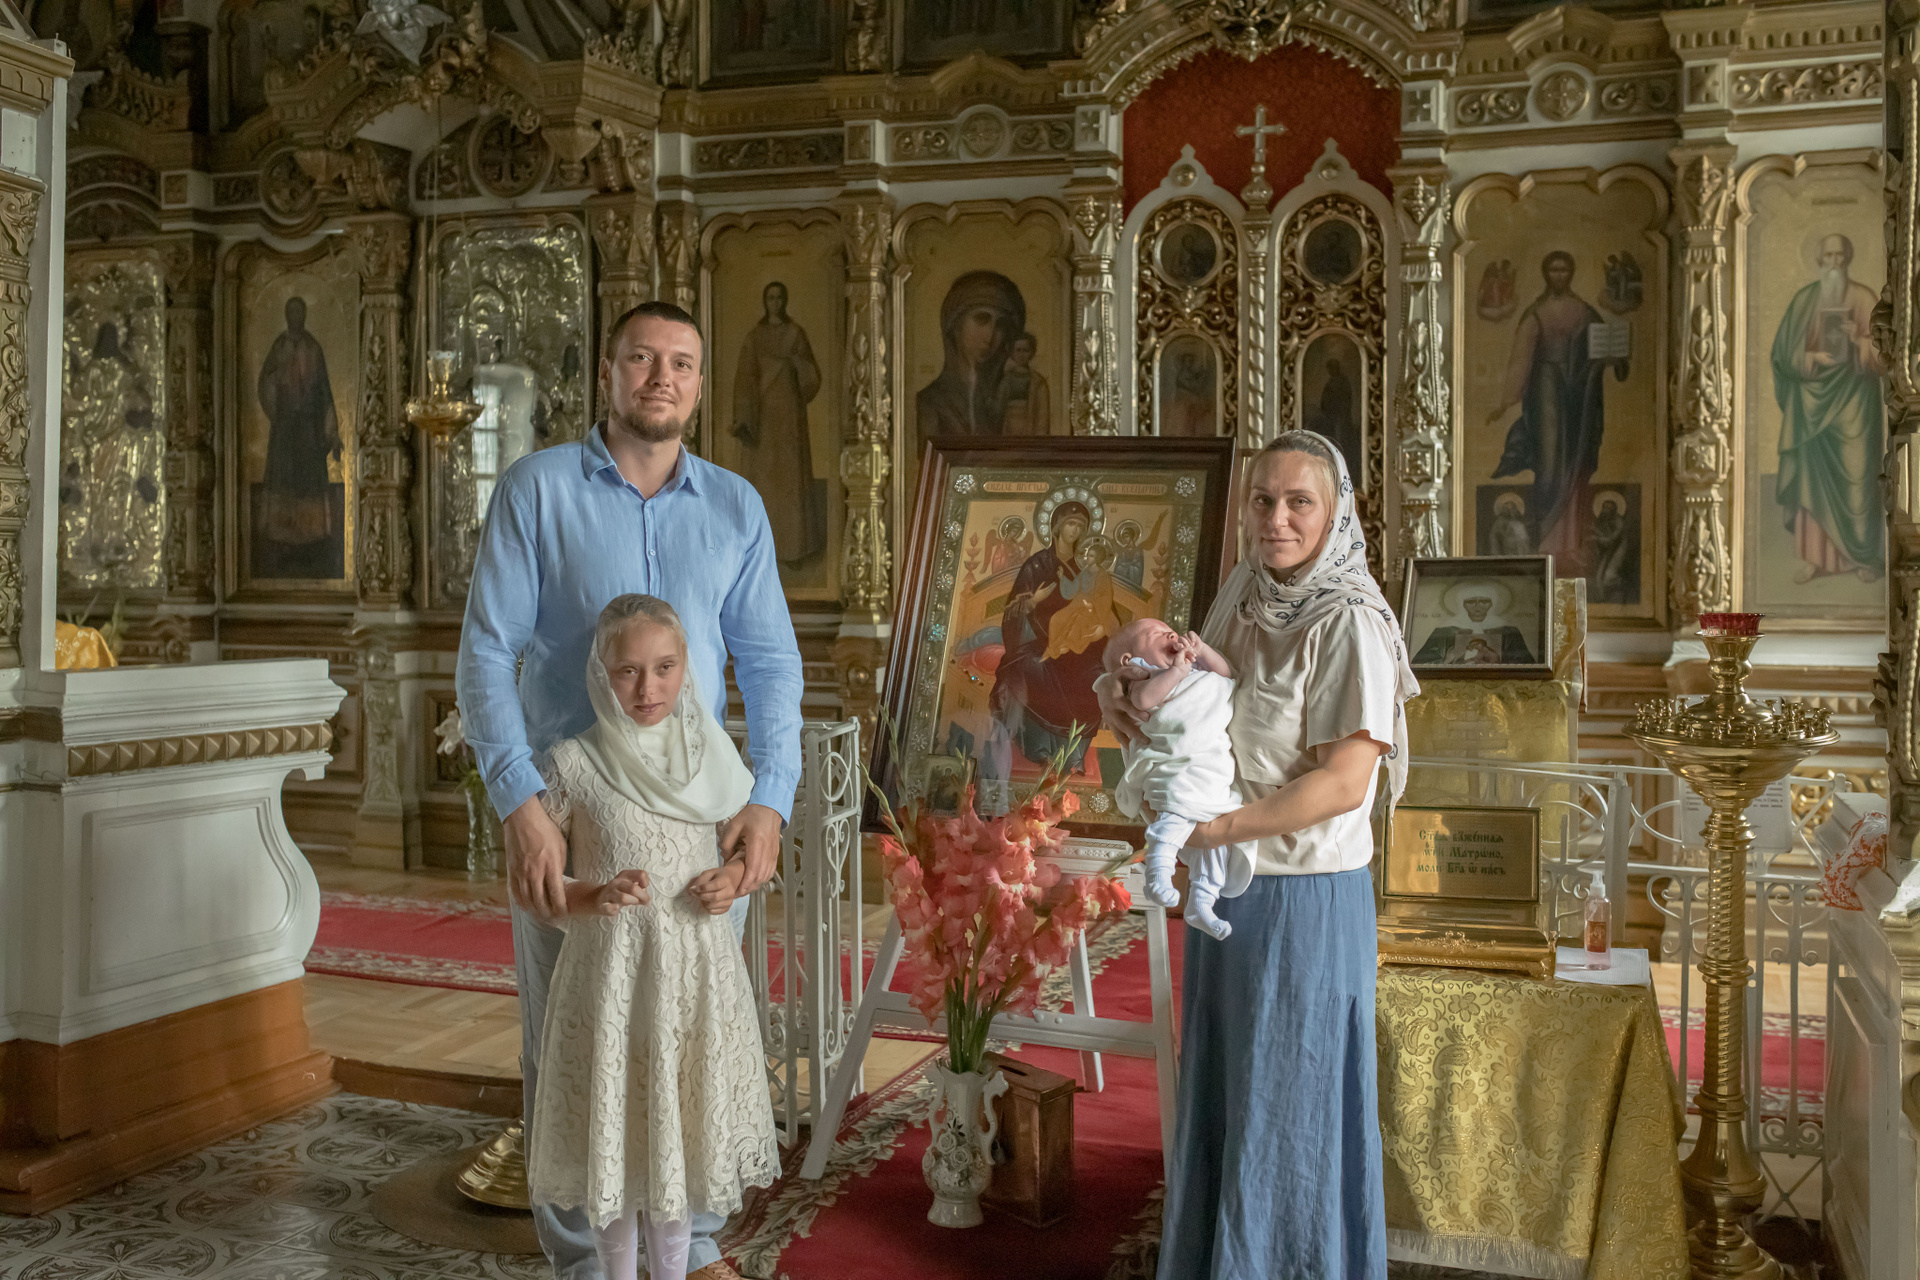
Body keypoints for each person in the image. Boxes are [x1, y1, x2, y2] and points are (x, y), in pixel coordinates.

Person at [457, 300, 802, 1280]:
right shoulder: (536, 489)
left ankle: (692, 1246)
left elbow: (770, 662)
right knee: (574, 1042)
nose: (662, 378)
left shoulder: (735, 504)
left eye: (681, 363)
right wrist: (520, 805)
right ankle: (582, 1260)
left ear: (700, 381)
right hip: (573, 816)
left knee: (693, 1034)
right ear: (608, 373)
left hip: (701, 818)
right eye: (643, 359)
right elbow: (485, 653)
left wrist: (770, 798)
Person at [1102, 429, 1419, 1278]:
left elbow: (1344, 784)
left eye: (1298, 502)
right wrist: (1124, 701)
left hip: (1304, 899)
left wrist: (1213, 832)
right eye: (1263, 500)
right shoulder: (1242, 592)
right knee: (1230, 1098)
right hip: (1233, 891)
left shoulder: (1349, 620)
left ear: (1335, 514)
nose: (1276, 519)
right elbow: (1200, 704)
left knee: (1290, 1114)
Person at [527, 596, 778, 1280]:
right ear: (599, 672)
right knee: (616, 1140)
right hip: (610, 981)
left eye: (665, 668)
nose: (648, 689)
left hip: (691, 979)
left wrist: (732, 880)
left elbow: (748, 855)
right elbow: (532, 887)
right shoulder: (572, 764)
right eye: (628, 671)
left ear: (686, 666)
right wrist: (591, 895)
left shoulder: (710, 758)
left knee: (673, 1143)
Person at [1101, 617, 1252, 940]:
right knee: (1174, 818)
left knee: (1217, 847)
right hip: (1176, 766)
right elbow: (1144, 702)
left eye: (1169, 629)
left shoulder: (1194, 671)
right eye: (1155, 633)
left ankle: (1202, 902)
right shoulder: (1145, 676)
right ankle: (1158, 872)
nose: (1169, 632)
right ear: (1130, 660)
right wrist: (1177, 672)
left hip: (1211, 768)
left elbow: (1225, 677)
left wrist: (1204, 651)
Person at [1486, 251, 1626, 564]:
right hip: (1545, 391)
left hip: (1580, 395)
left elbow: (1606, 347)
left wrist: (1614, 360)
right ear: (1546, 274)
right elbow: (1521, 359)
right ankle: (1544, 542)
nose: (1559, 275)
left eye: (1564, 270)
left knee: (1577, 465)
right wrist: (1505, 402)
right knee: (1549, 467)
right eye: (1553, 270)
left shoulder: (1585, 312)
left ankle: (1572, 542)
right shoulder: (1536, 313)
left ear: (1571, 273)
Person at [1772, 232, 1885, 584]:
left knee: (1858, 483)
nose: (1834, 262)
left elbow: (1885, 356)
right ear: (1819, 261)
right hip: (1811, 407)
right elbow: (1781, 355)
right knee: (1811, 481)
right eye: (1828, 256)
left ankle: (1863, 557)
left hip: (1855, 406)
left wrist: (1858, 341)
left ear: (1847, 259)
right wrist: (1810, 357)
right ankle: (1815, 559)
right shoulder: (1804, 300)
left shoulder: (1864, 298)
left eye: (1840, 256)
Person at [982, 500, 1105, 789]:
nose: (1075, 531)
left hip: (1077, 644)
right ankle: (1041, 751)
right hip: (1036, 642)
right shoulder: (1036, 565)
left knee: (1095, 676)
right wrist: (1033, 602)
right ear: (1056, 527)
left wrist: (1101, 626)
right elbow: (1012, 612)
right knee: (1030, 667)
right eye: (1070, 524)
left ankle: (1073, 757)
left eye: (1081, 526)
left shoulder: (1086, 568)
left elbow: (1102, 606)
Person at [731, 281, 825, 568]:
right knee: (764, 481)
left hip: (790, 418)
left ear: (784, 301)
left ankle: (793, 549)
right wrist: (744, 416)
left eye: (779, 298)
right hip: (763, 418)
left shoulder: (795, 334)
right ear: (765, 301)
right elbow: (744, 379)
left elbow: (811, 375)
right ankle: (760, 551)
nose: (775, 302)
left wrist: (795, 363)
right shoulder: (755, 337)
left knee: (790, 480)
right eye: (770, 298)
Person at [255, 294, 344, 576]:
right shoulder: (279, 346)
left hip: (308, 428)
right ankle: (281, 539)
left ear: (303, 315)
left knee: (309, 482)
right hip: (285, 428)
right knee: (282, 479)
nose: (295, 317)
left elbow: (324, 392)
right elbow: (265, 382)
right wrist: (277, 397)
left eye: (299, 312)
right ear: (286, 316)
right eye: (291, 312)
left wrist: (331, 433)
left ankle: (311, 539)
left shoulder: (313, 348)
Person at [915, 270, 1025, 440]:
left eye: (1001, 325)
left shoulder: (1006, 400)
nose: (990, 336)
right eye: (981, 319)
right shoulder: (931, 402)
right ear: (956, 324)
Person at [1410, 578, 1537, 666]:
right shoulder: (1445, 631)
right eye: (1471, 602)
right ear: (1462, 604)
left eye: (1484, 601)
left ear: (1492, 604)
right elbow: (1419, 665)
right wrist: (1446, 661)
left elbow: (1527, 665)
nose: (1477, 606)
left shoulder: (1508, 631)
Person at [999, 332, 1051, 436]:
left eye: (1025, 350)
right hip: (1008, 432)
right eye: (1018, 350)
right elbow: (999, 408)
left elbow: (1043, 415)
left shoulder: (1038, 382)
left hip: (1030, 430)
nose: (1021, 355)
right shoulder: (1006, 380)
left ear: (1031, 353)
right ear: (1012, 353)